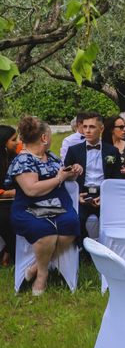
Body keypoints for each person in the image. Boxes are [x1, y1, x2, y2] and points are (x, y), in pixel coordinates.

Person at [8, 116, 82, 295]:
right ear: (44, 138)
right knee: (45, 232)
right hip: (29, 207)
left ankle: (35, 266)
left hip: (57, 205)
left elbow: (62, 174)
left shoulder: (51, 156)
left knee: (71, 225)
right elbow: (31, 190)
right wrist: (59, 178)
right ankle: (42, 275)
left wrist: (73, 172)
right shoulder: (23, 161)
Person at [65, 112, 122, 239]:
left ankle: (107, 249)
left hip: (104, 193)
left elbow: (117, 177)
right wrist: (76, 195)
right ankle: (83, 248)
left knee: (112, 218)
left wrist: (105, 196)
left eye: (92, 127)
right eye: (85, 127)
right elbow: (65, 177)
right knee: (76, 219)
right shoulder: (74, 151)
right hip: (82, 194)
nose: (87, 131)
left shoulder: (112, 151)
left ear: (101, 129)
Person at [0, 125, 20, 265]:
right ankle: (12, 252)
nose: (18, 142)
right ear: (3, 143)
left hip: (15, 199)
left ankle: (9, 251)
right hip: (4, 199)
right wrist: (6, 193)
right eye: (14, 140)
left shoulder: (16, 155)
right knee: (5, 218)